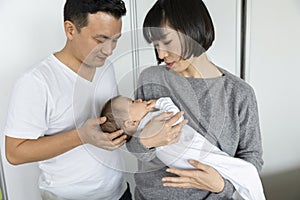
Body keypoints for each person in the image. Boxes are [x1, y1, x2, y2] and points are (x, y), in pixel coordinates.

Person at [126, 0, 264, 199]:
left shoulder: (239, 94)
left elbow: (251, 159)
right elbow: (133, 144)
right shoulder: (150, 79)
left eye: (167, 42)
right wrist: (145, 142)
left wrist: (221, 186)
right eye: (156, 45)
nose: (161, 54)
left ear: (193, 31)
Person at [4, 0, 133, 199]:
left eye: (115, 40)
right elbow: (14, 153)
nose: (109, 50)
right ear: (70, 30)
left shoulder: (107, 68)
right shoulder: (36, 82)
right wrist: (80, 136)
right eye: (101, 40)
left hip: (118, 192)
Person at [101, 96, 265, 200]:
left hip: (190, 162)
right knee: (245, 172)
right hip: (193, 155)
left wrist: (221, 187)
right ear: (131, 123)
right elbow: (175, 115)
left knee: (241, 173)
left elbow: (252, 154)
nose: (137, 100)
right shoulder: (151, 118)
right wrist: (160, 102)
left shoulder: (240, 93)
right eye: (131, 102)